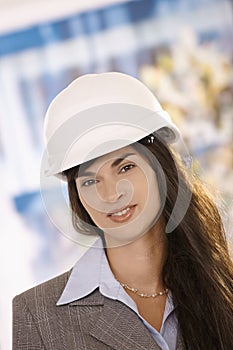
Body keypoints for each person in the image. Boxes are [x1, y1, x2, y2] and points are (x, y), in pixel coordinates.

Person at [13, 72, 233, 350]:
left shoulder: (221, 280)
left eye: (126, 167)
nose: (111, 194)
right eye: (90, 180)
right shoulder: (37, 316)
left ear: (161, 168)